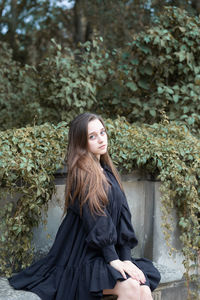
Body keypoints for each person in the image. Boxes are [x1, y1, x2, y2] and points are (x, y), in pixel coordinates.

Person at [8, 113, 161, 300]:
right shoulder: (83, 175)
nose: (100, 139)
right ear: (81, 142)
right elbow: (97, 221)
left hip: (102, 255)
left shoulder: (108, 172)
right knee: (130, 288)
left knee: (143, 287)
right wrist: (113, 259)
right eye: (92, 136)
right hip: (81, 257)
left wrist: (126, 259)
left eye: (102, 132)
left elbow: (123, 218)